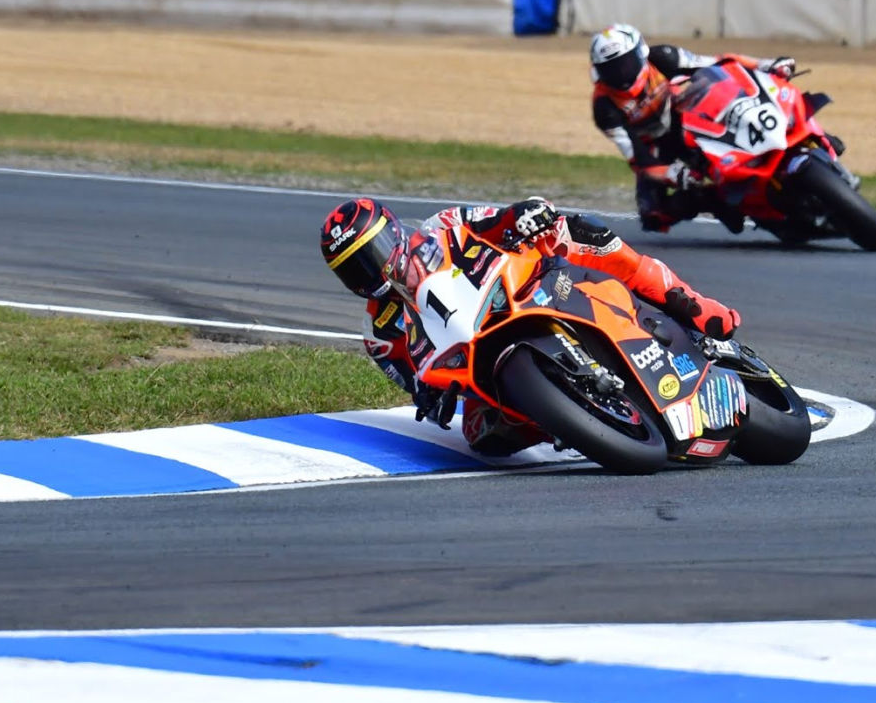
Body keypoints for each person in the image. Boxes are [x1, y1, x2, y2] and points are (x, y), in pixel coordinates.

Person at [319, 195, 740, 454]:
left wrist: (523, 215)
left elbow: (495, 220)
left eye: (372, 252)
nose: (370, 269)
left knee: (581, 232)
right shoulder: (379, 334)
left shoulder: (441, 227)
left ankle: (691, 304)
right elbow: (412, 383)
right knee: (483, 436)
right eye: (354, 268)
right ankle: (573, 420)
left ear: (392, 232)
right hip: (475, 352)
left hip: (524, 286)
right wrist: (429, 398)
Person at [588, 23, 799, 233]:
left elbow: (720, 64)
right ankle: (714, 200)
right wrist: (672, 173)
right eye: (612, 69)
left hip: (687, 116)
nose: (621, 74)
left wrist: (766, 65)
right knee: (653, 215)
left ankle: (801, 140)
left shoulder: (663, 57)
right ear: (599, 72)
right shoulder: (604, 106)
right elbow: (637, 157)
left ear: (640, 53)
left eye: (626, 64)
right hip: (655, 145)